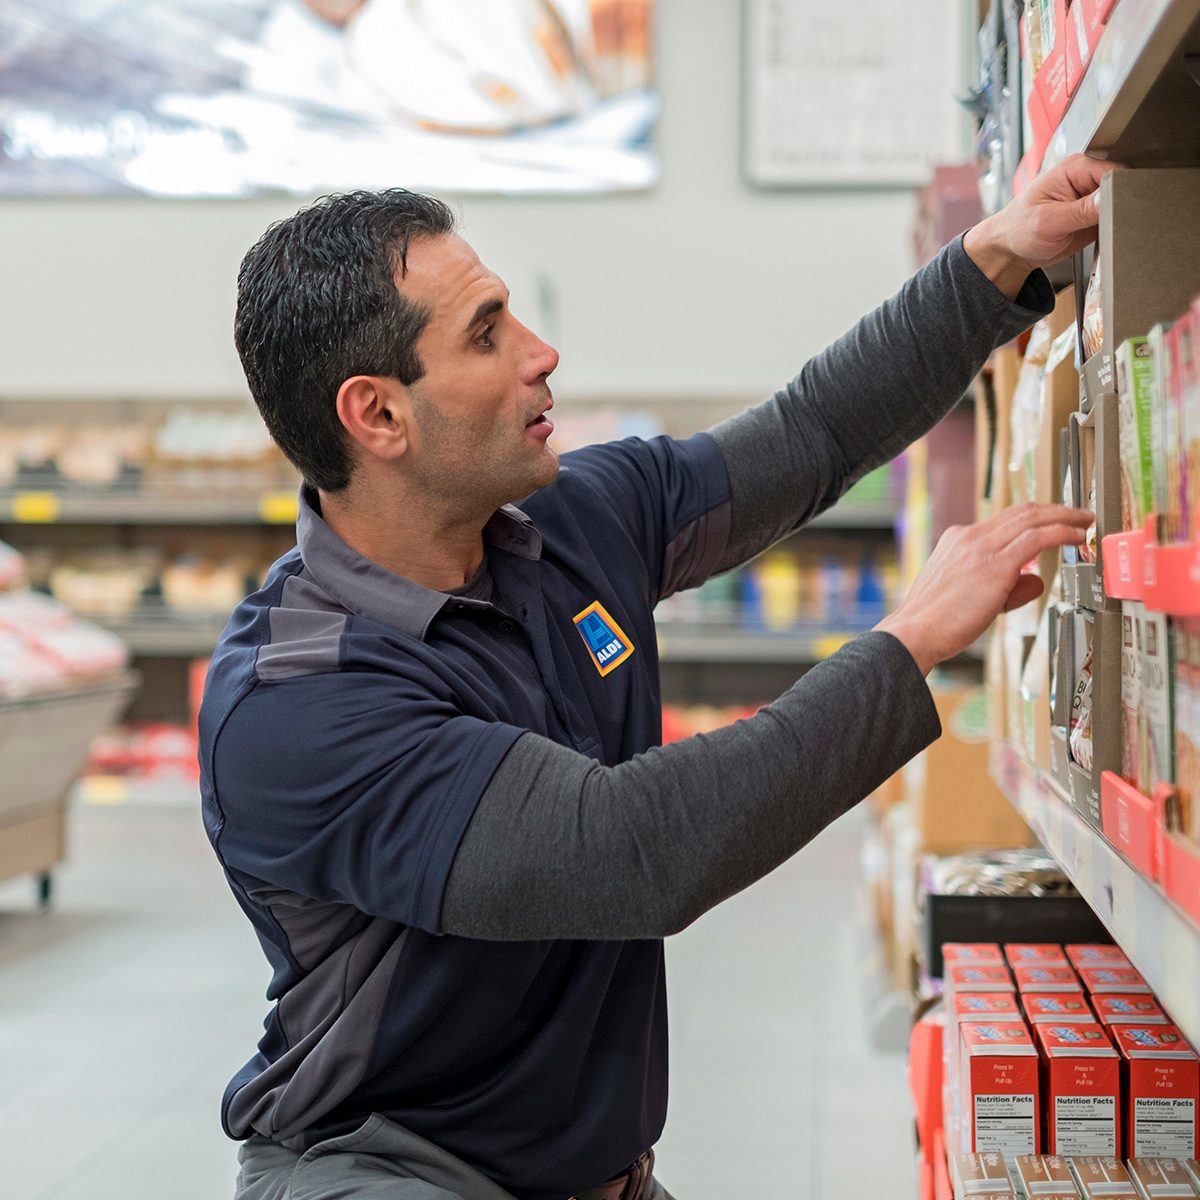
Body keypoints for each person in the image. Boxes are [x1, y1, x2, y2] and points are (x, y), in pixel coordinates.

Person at [203, 154, 1110, 1200]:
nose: (543, 355)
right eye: (487, 333)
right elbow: (633, 850)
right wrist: (905, 645)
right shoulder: (293, 702)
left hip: (592, 1172)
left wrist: (990, 265)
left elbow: (810, 434)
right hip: (383, 1169)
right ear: (377, 416)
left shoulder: (574, 518)